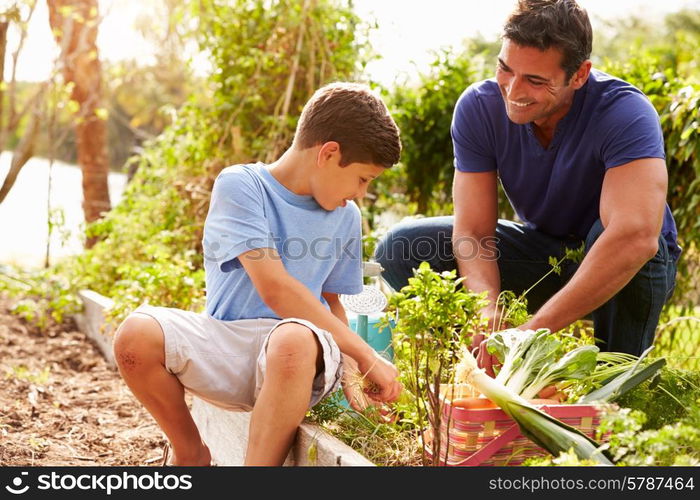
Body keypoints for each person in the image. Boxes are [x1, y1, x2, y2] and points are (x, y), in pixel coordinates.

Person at [374, 0, 679, 372]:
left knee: (610, 395)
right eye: (506, 69)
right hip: (544, 257)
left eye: (536, 80)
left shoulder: (625, 113)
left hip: (628, 268)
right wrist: (485, 312)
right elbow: (472, 230)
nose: (513, 90)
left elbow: (637, 236)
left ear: (580, 75)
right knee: (403, 245)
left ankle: (607, 378)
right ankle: (478, 370)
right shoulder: (479, 108)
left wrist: (532, 332)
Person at [112, 82, 403, 466]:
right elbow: (275, 289)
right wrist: (368, 355)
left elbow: (332, 302)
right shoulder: (242, 185)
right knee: (135, 334)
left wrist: (350, 371)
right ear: (329, 153)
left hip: (299, 360)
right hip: (228, 347)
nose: (361, 193)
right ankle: (191, 451)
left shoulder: (346, 216)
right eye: (363, 179)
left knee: (293, 339)